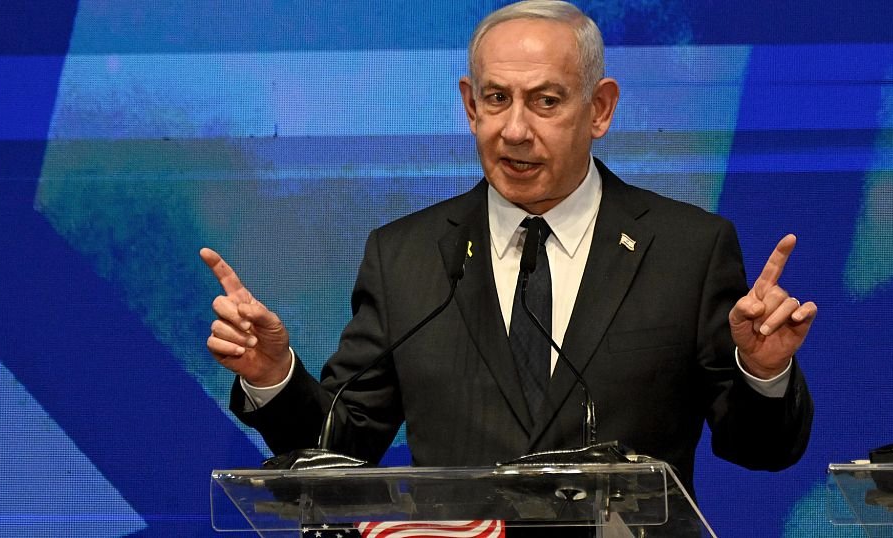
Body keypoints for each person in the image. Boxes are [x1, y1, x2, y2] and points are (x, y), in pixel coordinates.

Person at [202, 0, 815, 505]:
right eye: (496, 99)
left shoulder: (687, 249)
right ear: (470, 105)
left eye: (546, 101)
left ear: (600, 108)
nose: (515, 130)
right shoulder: (406, 256)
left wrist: (762, 372)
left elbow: (761, 449)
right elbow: (342, 447)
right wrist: (273, 377)